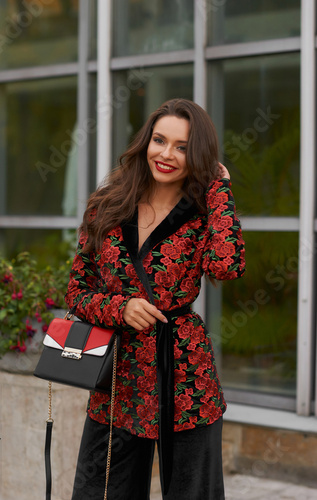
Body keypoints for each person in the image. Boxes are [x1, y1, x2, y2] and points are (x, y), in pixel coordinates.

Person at [65, 98, 245, 500]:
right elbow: (77, 292)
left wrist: (220, 189)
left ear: (197, 154)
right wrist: (119, 308)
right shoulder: (107, 206)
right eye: (159, 140)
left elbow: (226, 266)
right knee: (99, 492)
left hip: (186, 381)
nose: (166, 154)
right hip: (117, 380)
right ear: (145, 141)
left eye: (182, 147)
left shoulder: (202, 213)